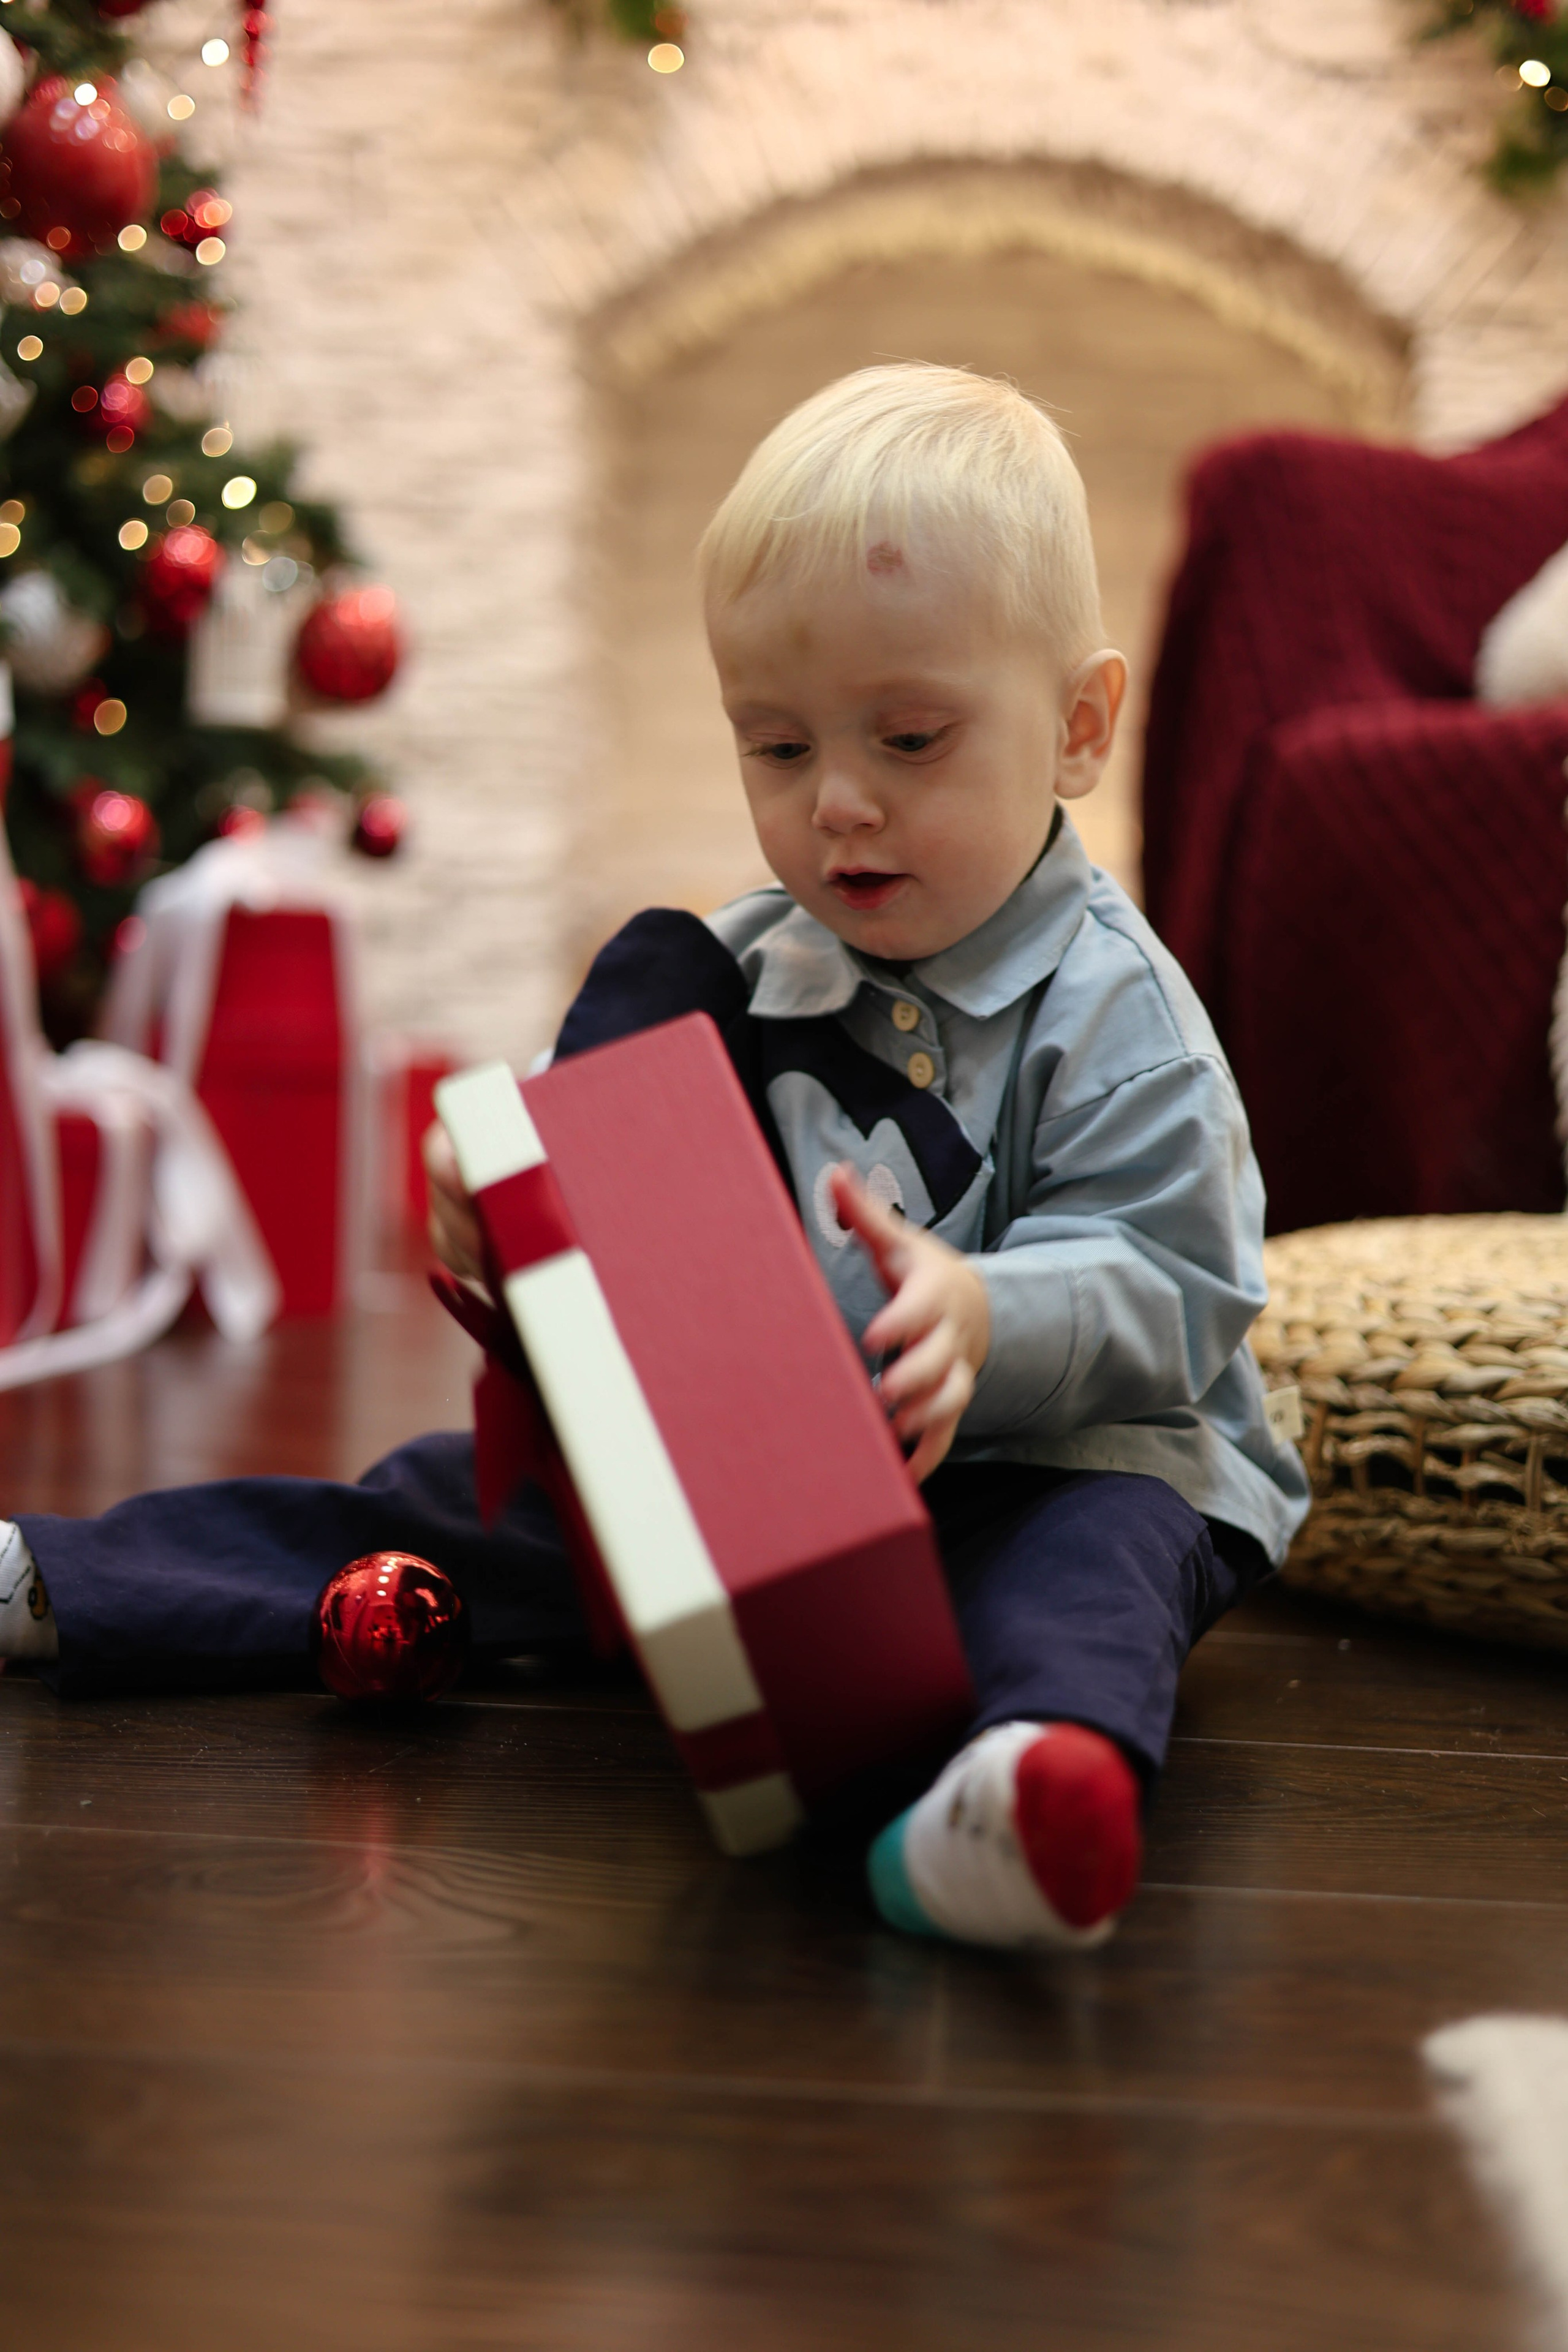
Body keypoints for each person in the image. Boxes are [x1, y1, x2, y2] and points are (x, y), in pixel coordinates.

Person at [0, 365, 1308, 1953]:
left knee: (1089, 1576)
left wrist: (985, 1313)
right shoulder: (750, 966)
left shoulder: (1120, 1016)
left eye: (909, 738)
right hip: (780, 1480)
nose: (838, 804)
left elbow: (1181, 1285)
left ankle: (1017, 1796)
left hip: (1062, 1462)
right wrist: (504, 1207)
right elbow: (642, 1202)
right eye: (777, 747)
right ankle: (63, 1583)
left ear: (1079, 729)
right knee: (433, 1505)